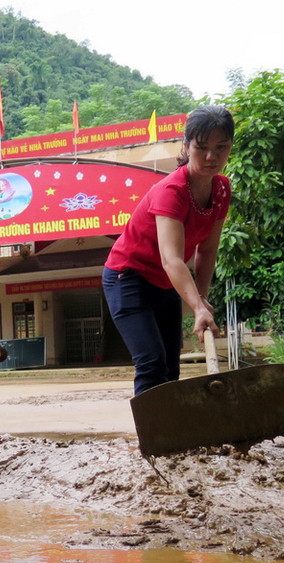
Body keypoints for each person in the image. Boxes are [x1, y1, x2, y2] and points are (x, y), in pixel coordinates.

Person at [102, 105, 234, 396]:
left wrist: (201, 299)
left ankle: (172, 437)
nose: (212, 157)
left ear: (230, 147)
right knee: (152, 362)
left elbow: (207, 251)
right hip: (128, 277)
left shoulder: (222, 189)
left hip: (164, 282)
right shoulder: (171, 191)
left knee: (170, 369)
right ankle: (151, 440)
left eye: (221, 147)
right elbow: (171, 258)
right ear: (187, 146)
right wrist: (197, 308)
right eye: (202, 148)